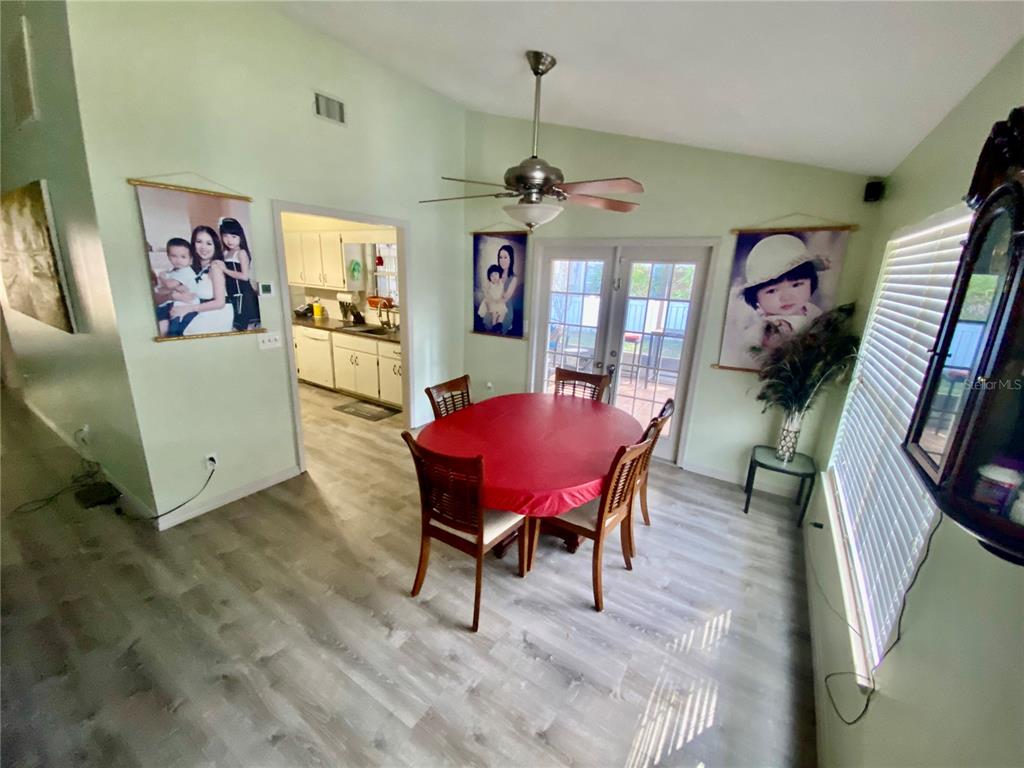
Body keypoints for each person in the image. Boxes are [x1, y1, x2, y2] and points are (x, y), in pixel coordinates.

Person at [739, 234, 827, 353]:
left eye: (796, 285)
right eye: (771, 291)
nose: (786, 298)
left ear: (812, 282)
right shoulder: (768, 328)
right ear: (755, 297)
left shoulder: (813, 311)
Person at [171, 225, 235, 336]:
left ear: (215, 246)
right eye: (199, 242)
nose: (203, 247)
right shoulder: (197, 268)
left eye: (209, 243)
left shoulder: (215, 266)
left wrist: (188, 309)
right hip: (205, 310)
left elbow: (220, 303)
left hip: (218, 313)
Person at [218, 217, 261, 330]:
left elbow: (244, 276)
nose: (229, 240)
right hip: (232, 294)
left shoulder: (241, 253)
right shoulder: (225, 252)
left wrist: (225, 270)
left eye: (233, 236)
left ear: (240, 237)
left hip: (243, 294)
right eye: (225, 236)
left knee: (243, 327)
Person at [154, 237, 199, 336]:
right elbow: (161, 290)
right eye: (174, 256)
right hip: (169, 305)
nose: (178, 260)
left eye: (183, 257)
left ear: (190, 259)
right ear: (168, 256)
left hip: (184, 307)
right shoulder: (172, 272)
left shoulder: (186, 271)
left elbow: (170, 285)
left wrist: (161, 277)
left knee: (174, 330)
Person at [482, 243, 520, 334]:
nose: (502, 260)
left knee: (500, 326)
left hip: (504, 306)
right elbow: (487, 287)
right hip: (492, 302)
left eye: (505, 257)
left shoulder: (514, 278)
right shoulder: (494, 272)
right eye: (500, 257)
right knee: (488, 323)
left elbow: (506, 297)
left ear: (511, 259)